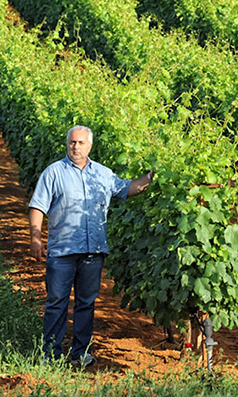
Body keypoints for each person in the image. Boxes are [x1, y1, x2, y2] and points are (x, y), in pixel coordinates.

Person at [28, 125, 153, 367]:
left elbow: (128, 188)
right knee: (56, 302)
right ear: (67, 144)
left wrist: (152, 176)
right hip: (62, 252)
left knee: (86, 303)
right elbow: (38, 206)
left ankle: (80, 353)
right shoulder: (53, 173)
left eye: (80, 143)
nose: (76, 147)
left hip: (92, 252)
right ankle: (50, 354)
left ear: (90, 146)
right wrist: (35, 237)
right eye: (72, 142)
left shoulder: (103, 175)